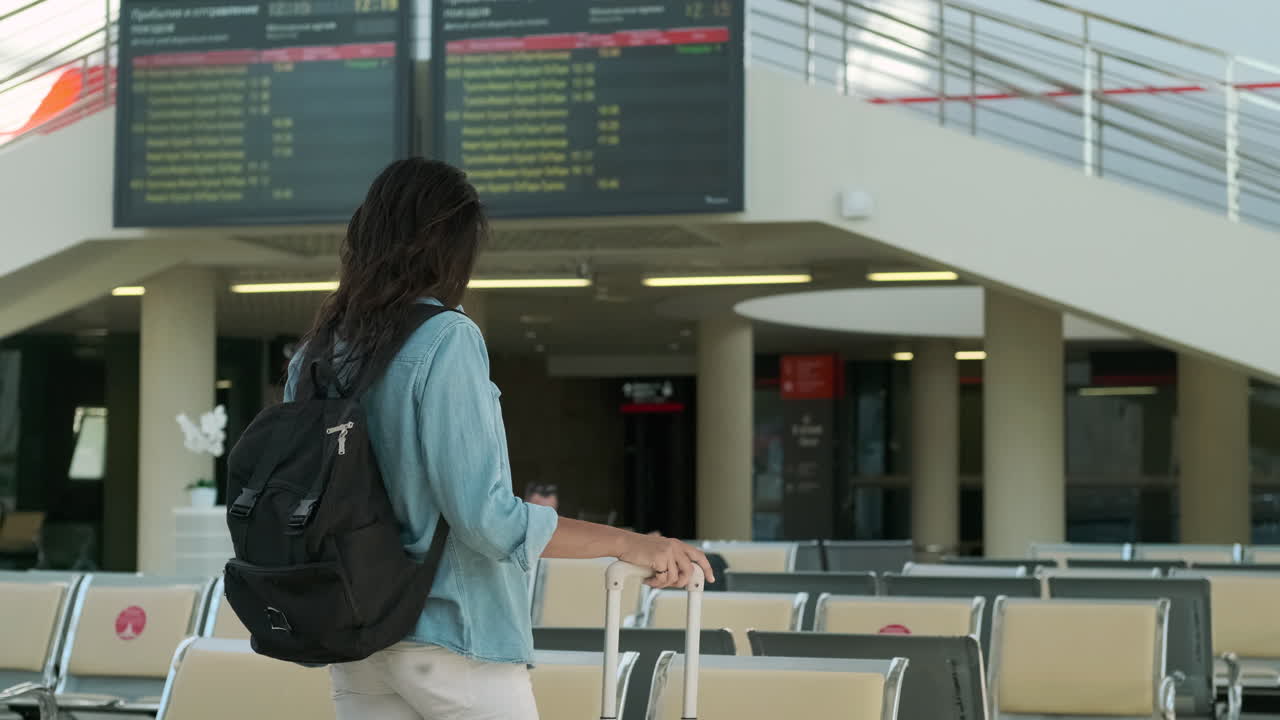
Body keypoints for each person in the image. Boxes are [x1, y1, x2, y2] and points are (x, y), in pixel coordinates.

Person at [286, 157, 714, 720]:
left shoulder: (317, 354)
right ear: (451, 248)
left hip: (354, 636)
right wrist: (630, 542)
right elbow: (487, 520)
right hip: (453, 637)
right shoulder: (446, 338)